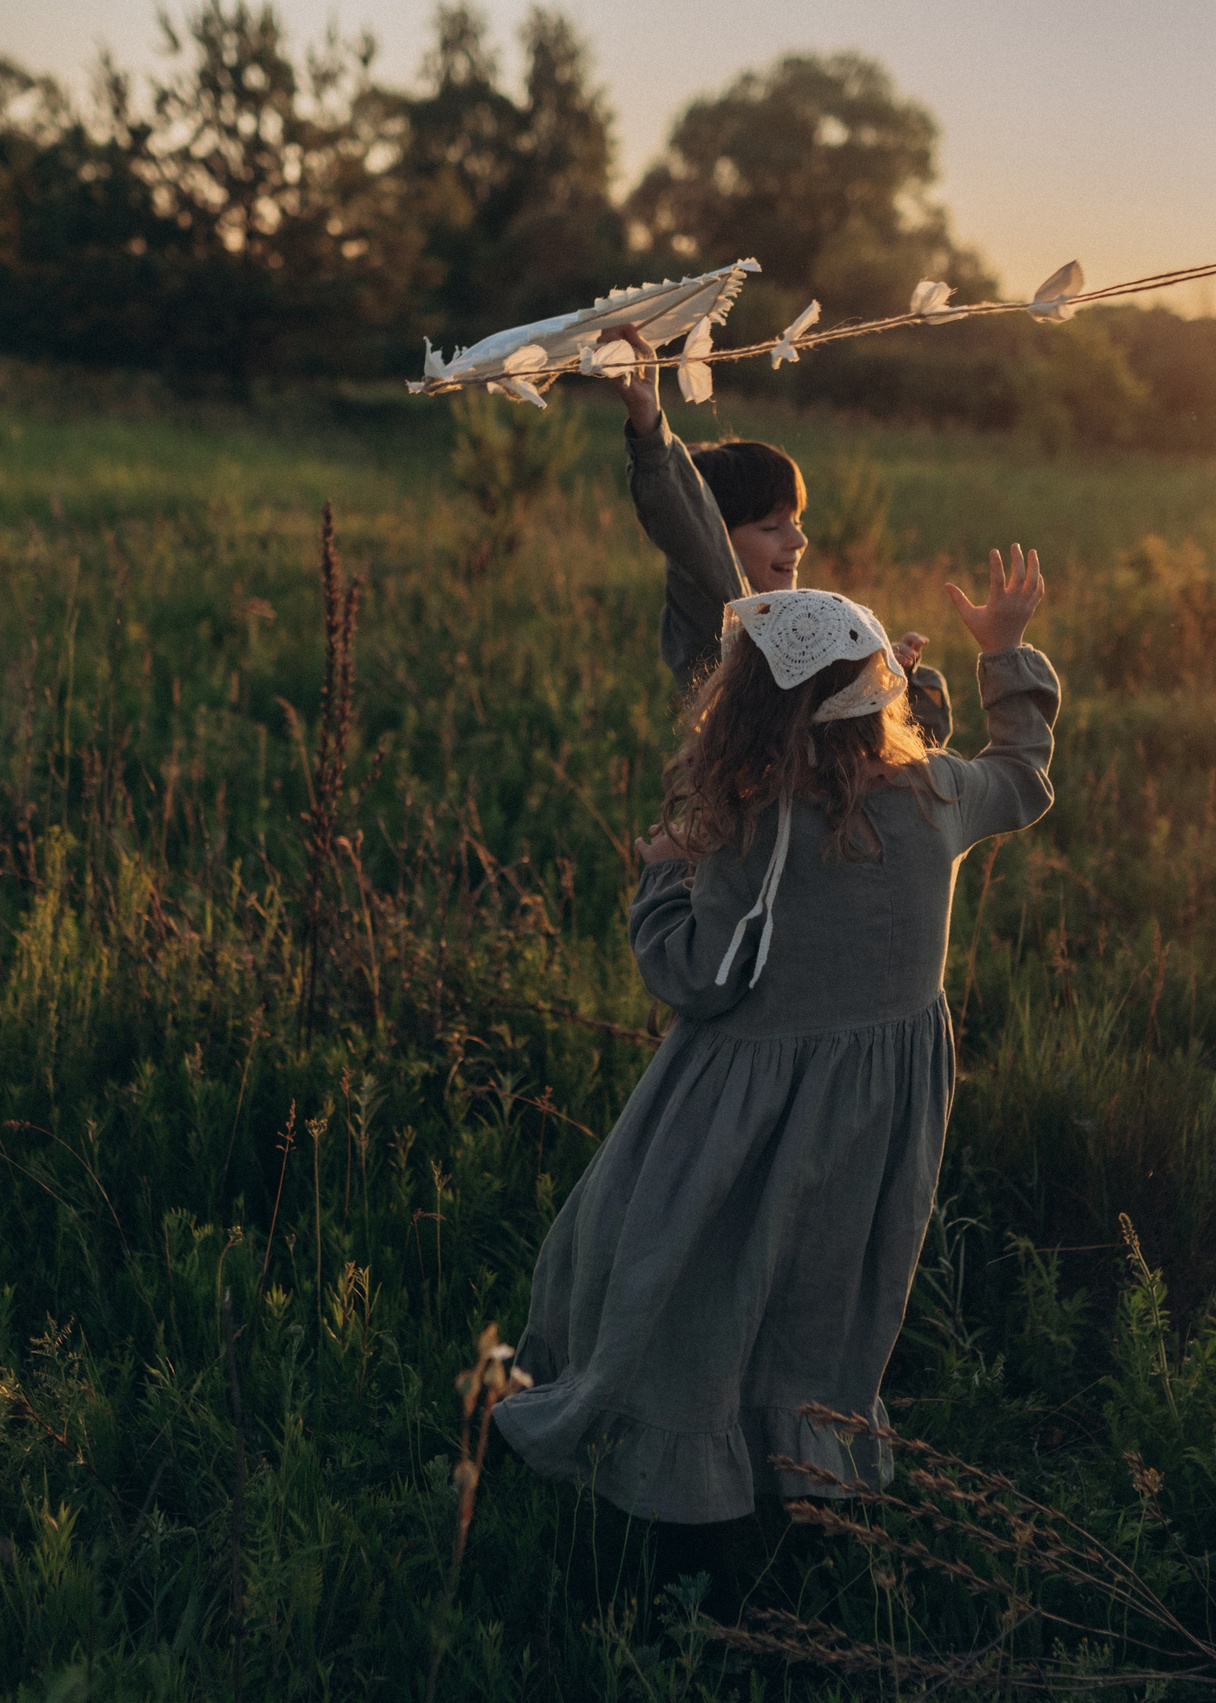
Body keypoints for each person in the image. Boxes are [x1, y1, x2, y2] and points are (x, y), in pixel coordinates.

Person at [491, 543, 1058, 1597]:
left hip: (733, 1126)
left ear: (745, 719)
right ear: (878, 696)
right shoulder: (935, 797)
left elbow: (695, 977)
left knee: (690, 1283)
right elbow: (1020, 775)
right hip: (873, 1123)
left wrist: (664, 872)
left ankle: (682, 1529)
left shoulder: (753, 835)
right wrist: (1003, 654)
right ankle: (805, 1489)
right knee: (820, 1299)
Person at [599, 325, 953, 748]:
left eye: (797, 522)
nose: (798, 541)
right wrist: (649, 425)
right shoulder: (722, 609)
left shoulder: (788, 623)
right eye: (770, 527)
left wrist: (882, 676)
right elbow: (688, 523)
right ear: (716, 537)